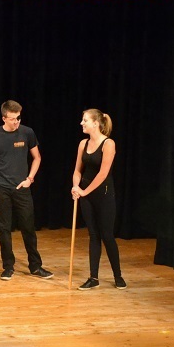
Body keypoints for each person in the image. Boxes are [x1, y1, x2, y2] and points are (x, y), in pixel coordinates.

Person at [0, 100, 53, 281]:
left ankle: (35, 266)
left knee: (28, 227)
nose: (16, 122)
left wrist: (30, 178)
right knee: (4, 229)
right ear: (4, 118)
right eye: (13, 119)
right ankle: (8, 267)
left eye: (19, 118)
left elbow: (37, 157)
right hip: (1, 188)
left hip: (21, 188)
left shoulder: (27, 132)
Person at [70, 108, 125, 291]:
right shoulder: (83, 143)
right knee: (93, 235)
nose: (81, 123)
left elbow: (103, 174)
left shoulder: (108, 144)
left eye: (85, 120)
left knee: (107, 235)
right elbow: (78, 170)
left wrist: (84, 191)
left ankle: (118, 275)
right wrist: (76, 187)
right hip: (86, 193)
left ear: (95, 123)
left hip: (104, 194)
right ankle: (93, 277)